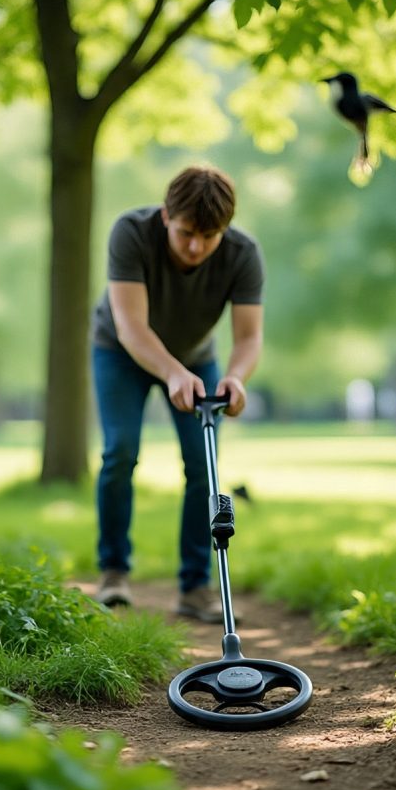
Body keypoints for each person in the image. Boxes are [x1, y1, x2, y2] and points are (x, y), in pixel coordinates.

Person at [90, 164, 264, 622]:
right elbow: (130, 327)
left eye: (210, 237)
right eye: (187, 233)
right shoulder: (130, 232)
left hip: (195, 356)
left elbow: (248, 338)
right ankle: (113, 573)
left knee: (203, 464)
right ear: (167, 215)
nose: (196, 247)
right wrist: (172, 373)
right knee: (120, 451)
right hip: (119, 350)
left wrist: (237, 378)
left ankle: (195, 587)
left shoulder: (244, 253)